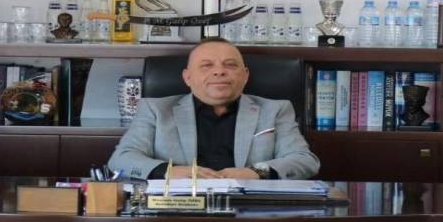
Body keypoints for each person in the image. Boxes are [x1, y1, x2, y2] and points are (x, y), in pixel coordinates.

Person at [108, 38, 319, 180]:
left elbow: (305, 160)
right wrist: (170, 171)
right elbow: (121, 159)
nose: (219, 72)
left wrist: (256, 172)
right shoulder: (156, 109)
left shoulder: (275, 110)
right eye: (206, 65)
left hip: (249, 209)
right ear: (187, 77)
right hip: (179, 207)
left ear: (245, 75)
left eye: (230, 65)